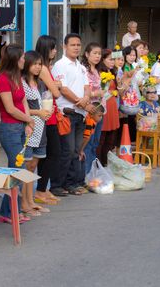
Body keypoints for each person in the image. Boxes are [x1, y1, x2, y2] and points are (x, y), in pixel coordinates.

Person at [0, 44, 33, 223]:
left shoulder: (17, 77)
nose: (24, 60)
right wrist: (29, 119)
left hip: (20, 126)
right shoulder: (2, 78)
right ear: (14, 59)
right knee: (18, 170)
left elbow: (23, 100)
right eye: (22, 57)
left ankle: (8, 211)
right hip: (9, 128)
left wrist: (27, 121)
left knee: (16, 170)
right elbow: (9, 108)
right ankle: (11, 212)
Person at [51, 33, 92, 196]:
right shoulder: (60, 65)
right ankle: (56, 185)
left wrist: (86, 98)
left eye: (78, 45)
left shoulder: (81, 66)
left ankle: (71, 183)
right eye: (73, 45)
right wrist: (80, 101)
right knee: (66, 151)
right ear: (65, 46)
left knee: (76, 151)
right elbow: (63, 89)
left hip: (80, 114)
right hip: (67, 114)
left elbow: (87, 86)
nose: (76, 47)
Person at [21, 50, 51, 215]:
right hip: (29, 128)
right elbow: (22, 109)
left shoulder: (40, 84)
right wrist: (38, 113)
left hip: (41, 129)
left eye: (40, 64)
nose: (38, 67)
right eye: (35, 64)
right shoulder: (22, 83)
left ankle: (30, 200)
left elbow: (43, 104)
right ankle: (24, 203)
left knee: (33, 166)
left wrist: (47, 111)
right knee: (26, 167)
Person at [34, 35, 62, 204]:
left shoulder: (46, 67)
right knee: (52, 154)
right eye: (53, 48)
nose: (55, 51)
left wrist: (56, 85)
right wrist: (57, 85)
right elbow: (56, 92)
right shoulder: (43, 68)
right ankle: (40, 190)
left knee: (49, 154)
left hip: (51, 113)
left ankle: (42, 189)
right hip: (47, 115)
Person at [81, 43, 103, 177]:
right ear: (87, 54)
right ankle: (85, 175)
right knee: (88, 143)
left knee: (95, 143)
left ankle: (92, 175)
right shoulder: (84, 70)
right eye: (94, 53)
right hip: (89, 110)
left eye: (99, 54)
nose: (97, 56)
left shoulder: (98, 70)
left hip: (99, 109)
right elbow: (84, 91)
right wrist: (96, 94)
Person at [97, 49, 120, 166]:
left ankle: (106, 163)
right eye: (110, 59)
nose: (113, 62)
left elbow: (116, 90)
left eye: (114, 59)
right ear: (103, 60)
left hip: (112, 106)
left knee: (111, 137)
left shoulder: (112, 72)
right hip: (104, 106)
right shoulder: (99, 73)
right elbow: (101, 92)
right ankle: (98, 163)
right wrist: (112, 92)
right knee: (102, 137)